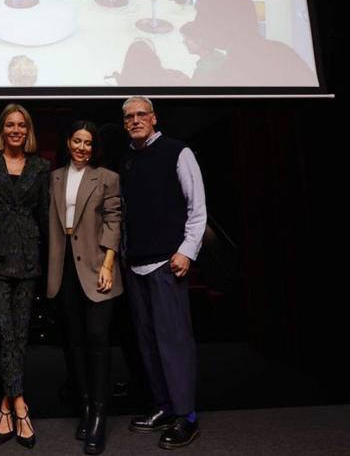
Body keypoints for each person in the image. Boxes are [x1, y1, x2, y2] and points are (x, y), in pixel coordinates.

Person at [119, 96, 205, 449]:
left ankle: (186, 417)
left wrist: (187, 251)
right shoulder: (126, 159)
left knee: (174, 343)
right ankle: (164, 407)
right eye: (129, 117)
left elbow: (196, 207)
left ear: (154, 118)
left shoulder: (177, 151)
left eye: (142, 114)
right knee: (148, 343)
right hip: (136, 265)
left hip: (168, 264)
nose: (136, 120)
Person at [0, 104, 50, 448]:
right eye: (10, 125)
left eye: (21, 125)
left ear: (28, 131)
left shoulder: (42, 166)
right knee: (3, 331)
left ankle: (4, 403)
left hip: (28, 255)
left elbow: (45, 214)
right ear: (1, 130)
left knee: (20, 332)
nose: (16, 130)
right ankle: (20, 405)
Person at [47, 121, 123, 454]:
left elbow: (114, 219)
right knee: (74, 343)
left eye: (88, 143)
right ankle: (85, 406)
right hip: (64, 270)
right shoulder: (53, 178)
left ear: (94, 148)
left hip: (97, 268)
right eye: (77, 141)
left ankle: (99, 417)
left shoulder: (107, 177)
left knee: (97, 340)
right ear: (68, 143)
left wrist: (108, 264)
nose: (82, 147)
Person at [182, 0, 317, 87]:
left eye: (202, 15)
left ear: (220, 22)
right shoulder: (282, 50)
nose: (198, 22)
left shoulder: (229, 75)